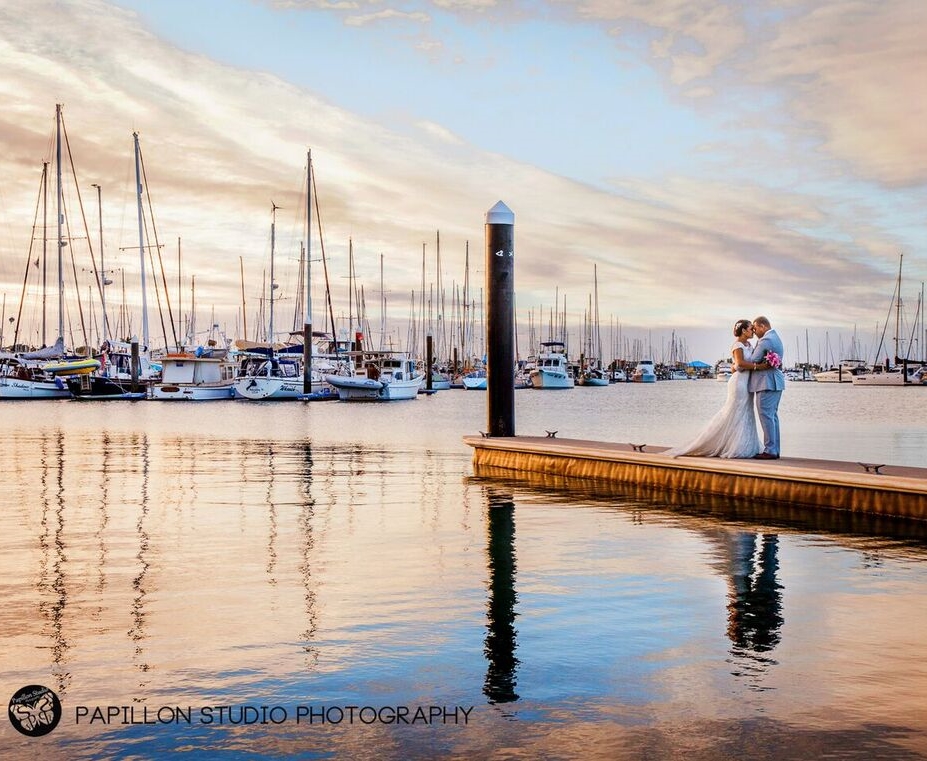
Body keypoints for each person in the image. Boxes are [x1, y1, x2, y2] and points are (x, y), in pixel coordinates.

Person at [666, 319, 761, 458]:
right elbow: (739, 364)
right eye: (750, 328)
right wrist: (758, 367)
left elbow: (737, 365)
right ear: (744, 330)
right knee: (735, 411)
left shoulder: (749, 345)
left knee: (746, 411)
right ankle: (728, 445)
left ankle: (743, 443)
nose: (753, 330)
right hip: (739, 383)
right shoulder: (738, 345)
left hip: (747, 382)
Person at [747, 316, 785, 459]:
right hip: (775, 381)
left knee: (766, 415)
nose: (755, 332)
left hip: (767, 382)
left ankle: (770, 450)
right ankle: (774, 449)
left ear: (763, 326)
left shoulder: (765, 340)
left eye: (756, 328)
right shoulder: (776, 337)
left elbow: (753, 360)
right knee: (772, 416)